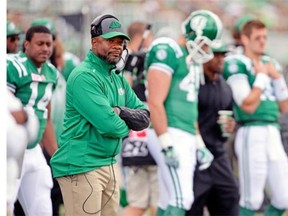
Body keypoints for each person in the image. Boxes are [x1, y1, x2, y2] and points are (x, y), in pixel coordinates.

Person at [50, 14, 150, 216]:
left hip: (108, 162)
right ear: (95, 42)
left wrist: (120, 112)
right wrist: (126, 125)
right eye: (110, 40)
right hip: (82, 163)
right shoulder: (84, 76)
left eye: (120, 42)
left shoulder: (116, 77)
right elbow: (111, 126)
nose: (117, 46)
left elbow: (145, 117)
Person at [145, 10, 223, 216]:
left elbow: (189, 108)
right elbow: (155, 101)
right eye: (205, 42)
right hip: (169, 131)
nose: (206, 49)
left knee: (167, 198)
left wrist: (199, 143)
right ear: (194, 34)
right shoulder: (169, 50)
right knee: (182, 197)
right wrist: (165, 142)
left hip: (185, 132)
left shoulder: (192, 61)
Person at [223, 19, 288, 216]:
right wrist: (261, 77)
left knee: (284, 197)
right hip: (251, 130)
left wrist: (277, 79)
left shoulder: (270, 63)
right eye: (257, 38)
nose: (262, 42)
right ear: (244, 39)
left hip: (272, 130)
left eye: (265, 37)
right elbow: (247, 105)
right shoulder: (236, 63)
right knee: (252, 199)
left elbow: (284, 106)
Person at [7, 25, 59, 215]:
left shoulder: (52, 73)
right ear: (26, 44)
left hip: (34, 150)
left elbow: (47, 118)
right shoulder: (12, 66)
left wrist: (57, 155)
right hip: (11, 151)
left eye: (48, 44)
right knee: (6, 205)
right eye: (40, 43)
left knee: (42, 208)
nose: (45, 48)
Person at [186, 41, 239, 216]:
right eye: (216, 55)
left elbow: (230, 116)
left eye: (223, 55)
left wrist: (230, 126)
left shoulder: (225, 87)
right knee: (192, 206)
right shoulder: (193, 82)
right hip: (196, 154)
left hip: (218, 154)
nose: (220, 59)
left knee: (230, 196)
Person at [121, 21, 158, 216]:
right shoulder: (130, 60)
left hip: (134, 136)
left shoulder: (126, 61)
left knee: (139, 202)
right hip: (148, 131)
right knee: (157, 202)